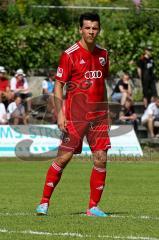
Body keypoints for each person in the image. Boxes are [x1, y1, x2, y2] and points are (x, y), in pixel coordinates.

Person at [36, 12, 111, 217]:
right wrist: (60, 113)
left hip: (99, 116)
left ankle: (93, 207)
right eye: (87, 28)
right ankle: (44, 202)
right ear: (80, 29)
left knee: (101, 157)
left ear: (99, 30)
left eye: (94, 28)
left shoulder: (103, 55)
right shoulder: (70, 54)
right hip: (75, 115)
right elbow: (59, 85)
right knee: (64, 157)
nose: (91, 32)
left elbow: (102, 84)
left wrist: (106, 111)